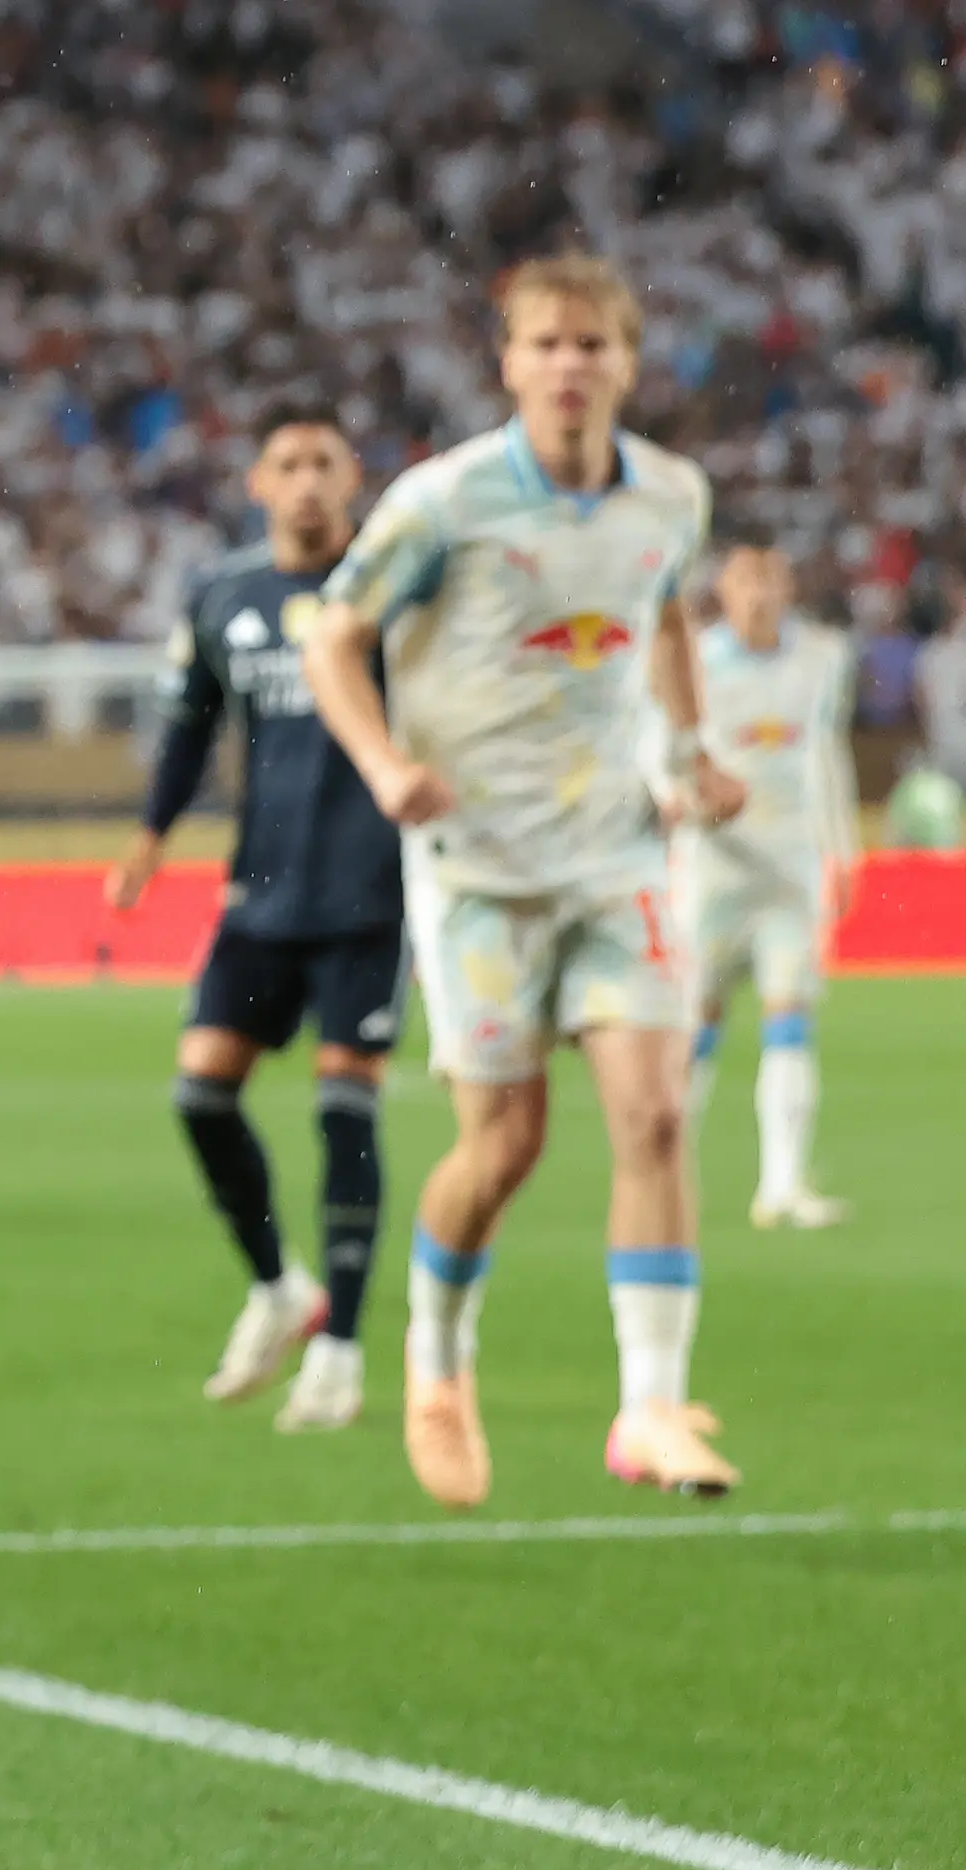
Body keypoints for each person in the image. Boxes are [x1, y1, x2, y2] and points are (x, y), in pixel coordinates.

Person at [301, 255, 741, 1508]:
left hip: (620, 854)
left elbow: (660, 611)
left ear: (628, 363)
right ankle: (437, 1363)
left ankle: (651, 1407)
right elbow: (334, 631)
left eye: (593, 345)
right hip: (481, 871)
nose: (570, 366)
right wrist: (384, 762)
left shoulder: (671, 497)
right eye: (546, 344)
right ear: (508, 362)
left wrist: (693, 750)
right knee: (504, 1148)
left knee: (655, 1115)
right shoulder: (444, 504)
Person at [111, 407, 407, 1432]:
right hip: (262, 893)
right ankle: (280, 1284)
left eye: (326, 461)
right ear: (257, 483)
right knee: (200, 1096)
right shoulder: (222, 595)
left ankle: (342, 1348)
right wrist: (152, 834)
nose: (310, 481)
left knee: (344, 1114)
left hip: (373, 895)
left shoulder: (391, 592)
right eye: (290, 464)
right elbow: (192, 720)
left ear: (354, 476)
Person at [665, 544, 856, 1227]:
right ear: (725, 587)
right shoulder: (696, 664)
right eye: (747, 580)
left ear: (788, 585)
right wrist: (676, 803)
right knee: (696, 1026)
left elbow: (824, 753)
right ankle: (665, 1172)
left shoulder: (823, 658)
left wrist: (844, 851)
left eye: (771, 579)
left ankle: (781, 1185)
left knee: (789, 1020)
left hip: (789, 873)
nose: (759, 594)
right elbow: (663, 751)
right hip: (714, 872)